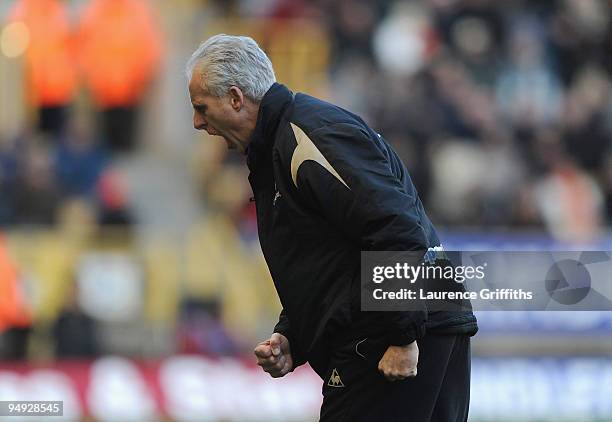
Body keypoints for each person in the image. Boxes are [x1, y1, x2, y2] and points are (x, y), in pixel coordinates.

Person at [186, 34, 478, 422]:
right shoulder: (282, 144)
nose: (197, 122)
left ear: (236, 98)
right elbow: (326, 256)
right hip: (418, 319)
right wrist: (292, 334)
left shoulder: (308, 136)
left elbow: (395, 227)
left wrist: (402, 336)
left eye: (202, 107)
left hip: (397, 328)